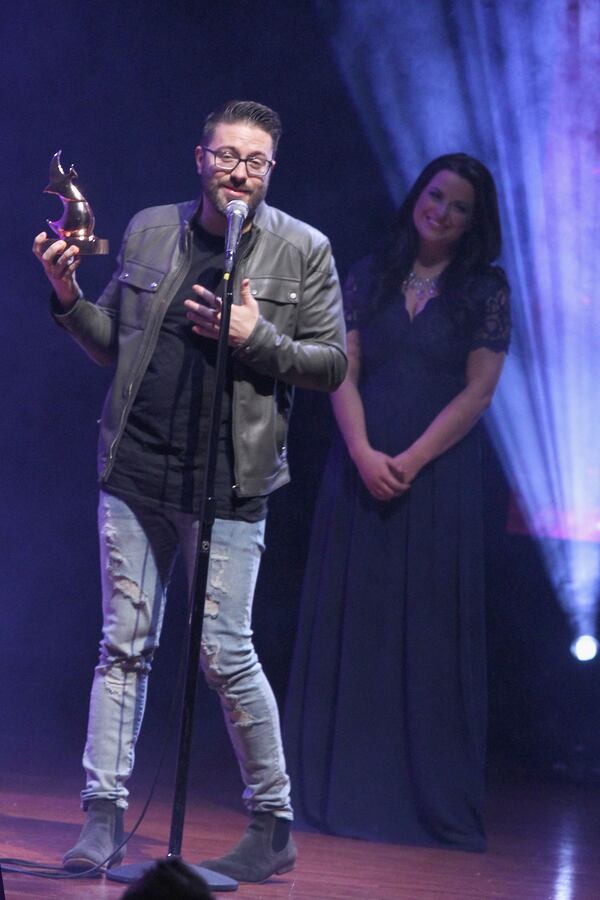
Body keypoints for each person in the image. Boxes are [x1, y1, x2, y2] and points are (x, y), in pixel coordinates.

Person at [32, 99, 346, 883]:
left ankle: (272, 824)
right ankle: (101, 817)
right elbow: (114, 346)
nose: (240, 172)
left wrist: (255, 338)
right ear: (199, 158)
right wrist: (66, 299)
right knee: (123, 647)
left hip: (230, 484)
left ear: (270, 170)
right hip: (137, 470)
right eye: (227, 156)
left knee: (224, 652)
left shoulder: (303, 249)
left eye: (256, 161)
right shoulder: (146, 229)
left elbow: (333, 364)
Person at [284, 153, 511, 852]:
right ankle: (329, 790)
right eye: (435, 195)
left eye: (458, 206)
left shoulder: (485, 288)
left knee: (425, 634)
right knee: (353, 623)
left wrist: (409, 460)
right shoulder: (369, 271)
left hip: (435, 480)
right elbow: (341, 368)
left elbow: (478, 393)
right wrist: (360, 451)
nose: (440, 211)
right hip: (359, 468)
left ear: (475, 222)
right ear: (417, 196)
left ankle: (416, 801)